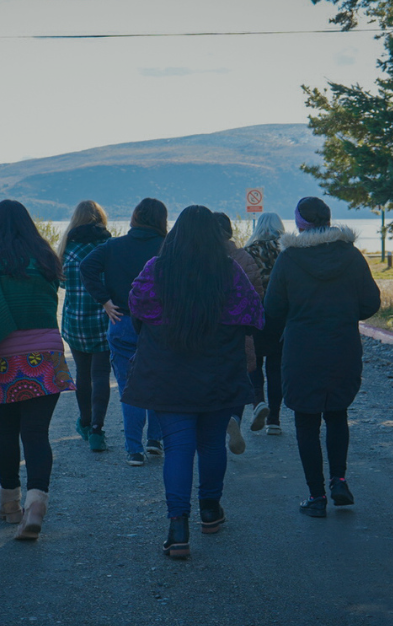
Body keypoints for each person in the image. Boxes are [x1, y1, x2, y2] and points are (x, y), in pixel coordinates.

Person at [124, 206, 264, 558]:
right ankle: (210, 512)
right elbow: (252, 316)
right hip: (218, 373)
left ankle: (177, 528)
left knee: (178, 447)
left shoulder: (156, 270)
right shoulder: (229, 271)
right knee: (212, 444)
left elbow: (137, 311)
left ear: (175, 235)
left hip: (168, 375)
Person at [0, 200, 75, 540]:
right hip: (48, 356)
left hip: (5, 359)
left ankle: (10, 504)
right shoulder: (45, 257)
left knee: (5, 431)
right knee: (36, 434)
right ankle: (37, 503)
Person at [264, 197, 381, 518]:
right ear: (328, 220)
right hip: (342, 344)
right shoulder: (351, 256)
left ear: (301, 224)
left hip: (302, 349)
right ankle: (339, 480)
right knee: (337, 413)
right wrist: (343, 313)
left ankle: (316, 497)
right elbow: (371, 303)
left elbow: (273, 309)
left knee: (306, 420)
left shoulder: (288, 259)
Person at [80, 198, 167, 467]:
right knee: (159, 382)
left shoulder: (114, 246)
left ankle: (134, 449)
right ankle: (154, 440)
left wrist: (105, 301)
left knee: (130, 388)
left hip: (123, 321)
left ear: (135, 217)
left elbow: (86, 267)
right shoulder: (167, 248)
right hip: (160, 325)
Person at [57, 200, 113, 452]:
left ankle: (85, 421)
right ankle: (98, 431)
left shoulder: (67, 247)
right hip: (104, 316)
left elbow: (63, 283)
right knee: (101, 374)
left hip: (75, 320)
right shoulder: (108, 245)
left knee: (82, 372)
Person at [213, 212, 267, 454]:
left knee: (212, 380)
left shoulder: (201, 257)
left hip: (207, 332)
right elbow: (257, 294)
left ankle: (215, 425)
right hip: (239, 333)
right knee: (239, 378)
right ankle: (234, 418)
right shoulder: (243, 257)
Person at [244, 211, 286, 435]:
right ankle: (275, 420)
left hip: (255, 314)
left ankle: (258, 402)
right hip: (279, 316)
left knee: (254, 363)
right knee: (276, 367)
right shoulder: (288, 252)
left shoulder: (248, 252)